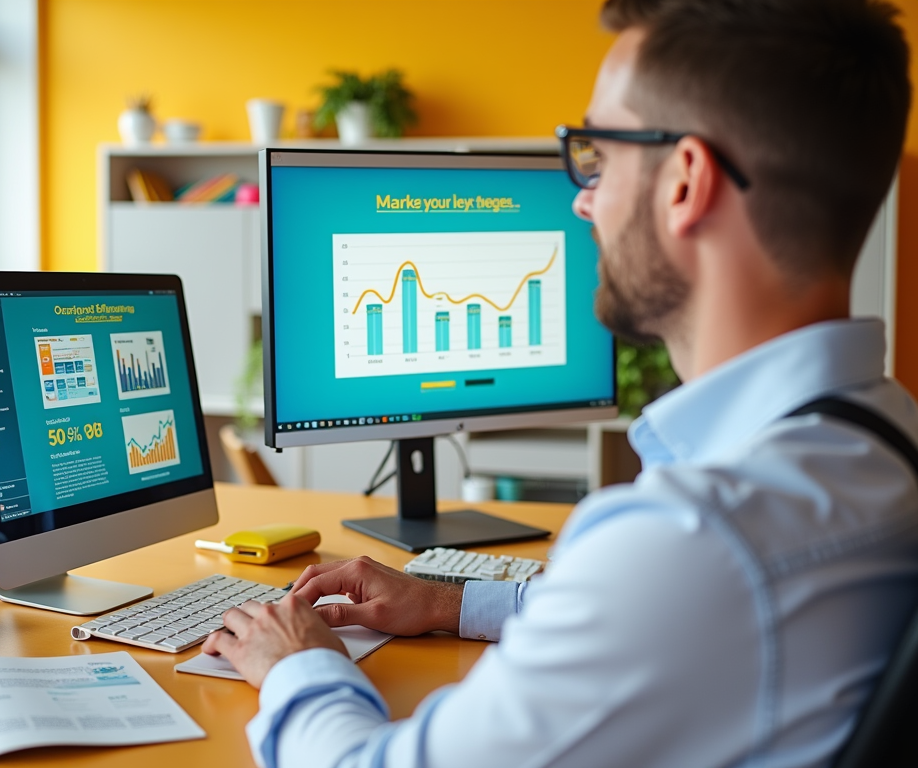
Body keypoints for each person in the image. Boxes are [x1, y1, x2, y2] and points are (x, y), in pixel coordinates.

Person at [203, 1, 915, 765]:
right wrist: (448, 600)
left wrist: (296, 664)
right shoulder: (883, 438)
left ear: (685, 182)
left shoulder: (697, 538)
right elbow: (666, 616)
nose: (582, 199)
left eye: (596, 156)